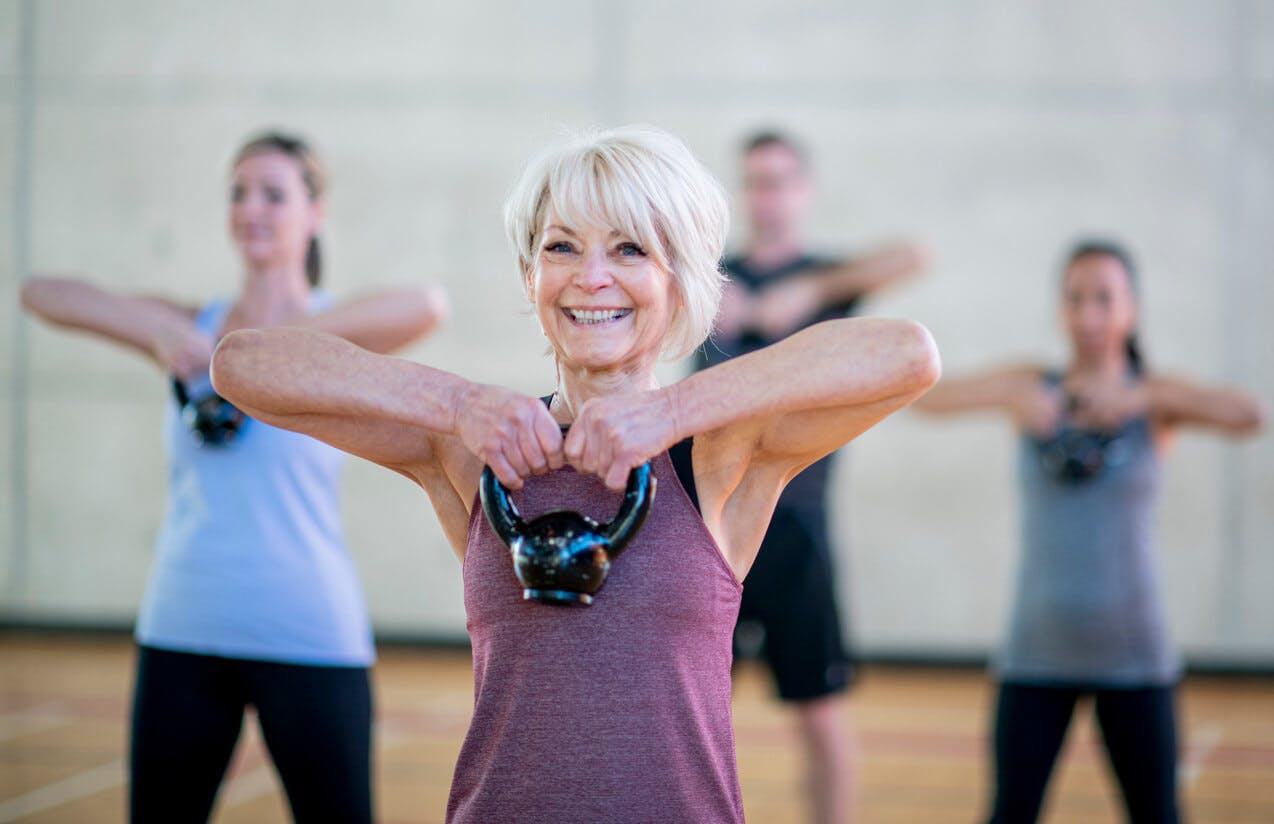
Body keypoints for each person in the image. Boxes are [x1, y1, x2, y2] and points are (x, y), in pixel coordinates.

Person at [210, 125, 941, 823]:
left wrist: (674, 409)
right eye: (562, 247)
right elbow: (241, 364)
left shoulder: (718, 456)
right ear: (533, 277)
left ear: (678, 281)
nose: (591, 278)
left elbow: (908, 354)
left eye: (628, 250)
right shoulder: (473, 449)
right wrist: (456, 400)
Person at [21, 131, 449, 824]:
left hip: (309, 630)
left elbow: (429, 304)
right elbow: (42, 292)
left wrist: (273, 348)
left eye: (273, 194)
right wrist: (156, 332)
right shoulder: (194, 327)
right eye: (238, 192)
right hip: (182, 628)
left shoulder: (331, 335)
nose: (251, 207)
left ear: (314, 213)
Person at [913, 240, 1264, 823]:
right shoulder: (1030, 383)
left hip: (1134, 655)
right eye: (1076, 299)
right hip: (1035, 655)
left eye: (1105, 299)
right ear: (1061, 308)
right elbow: (926, 398)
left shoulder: (1155, 399)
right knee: (1009, 813)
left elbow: (1252, 414)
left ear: (1132, 309)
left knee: (1158, 813)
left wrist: (1142, 397)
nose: (1089, 315)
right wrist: (1018, 399)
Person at [695, 130, 929, 824]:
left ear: (803, 190)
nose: (767, 196)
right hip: (707, 528)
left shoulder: (826, 282)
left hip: (797, 529)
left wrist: (807, 290)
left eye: (780, 181)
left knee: (821, 714)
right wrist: (705, 299)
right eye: (756, 182)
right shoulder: (710, 280)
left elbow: (913, 254)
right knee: (695, 712)